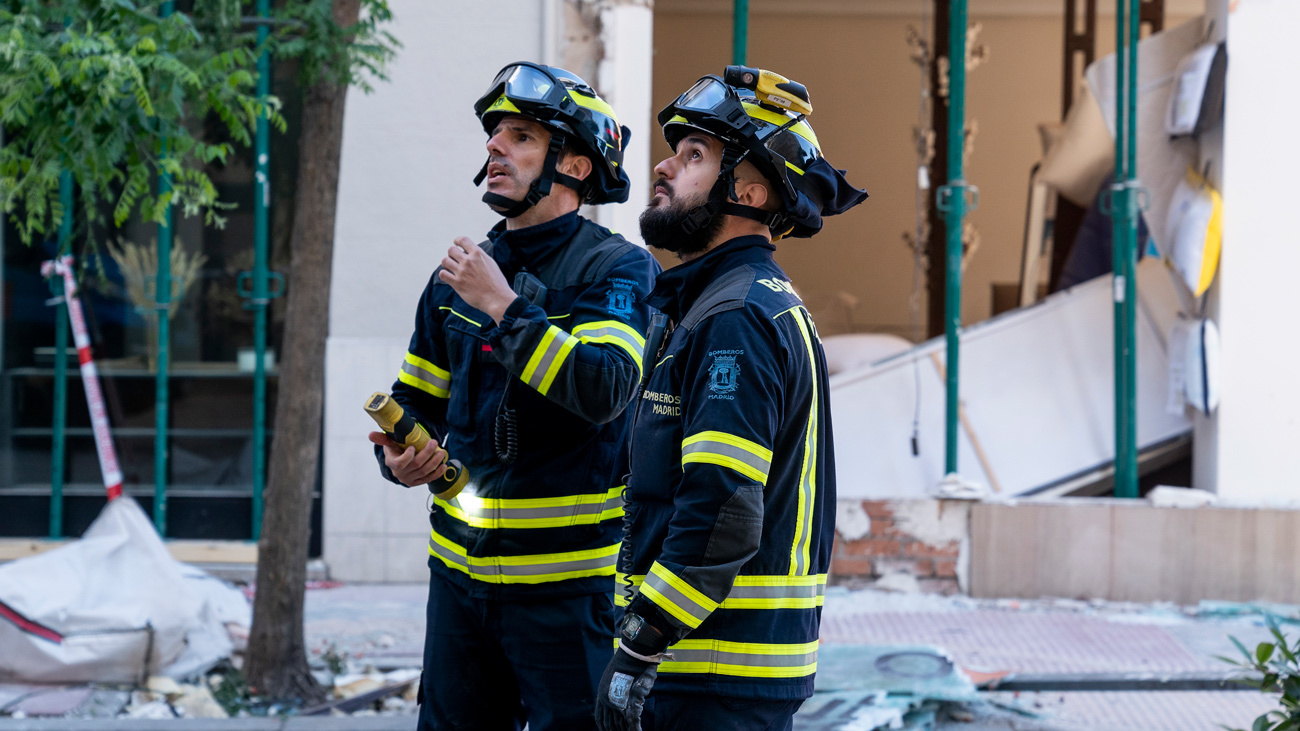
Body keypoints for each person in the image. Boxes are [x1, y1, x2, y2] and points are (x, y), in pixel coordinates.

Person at [369, 62, 659, 731]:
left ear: (577, 166)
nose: (495, 147)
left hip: (568, 596)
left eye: (521, 136)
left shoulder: (617, 269)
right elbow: (416, 403)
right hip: (459, 590)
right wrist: (398, 457)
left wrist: (502, 304)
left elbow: (605, 387)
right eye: (495, 134)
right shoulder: (457, 278)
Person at [593, 67, 868, 731]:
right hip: (715, 669)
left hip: (711, 673)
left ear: (747, 189)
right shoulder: (713, 305)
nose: (664, 165)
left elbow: (721, 509)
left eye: (694, 155)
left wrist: (640, 643)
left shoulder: (734, 318)